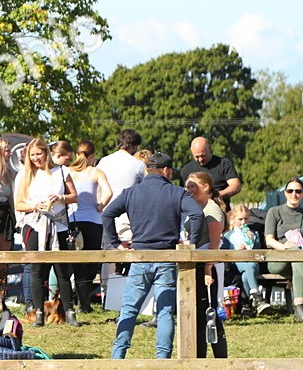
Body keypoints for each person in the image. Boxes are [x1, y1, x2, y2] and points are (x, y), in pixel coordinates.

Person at [103, 152, 206, 359]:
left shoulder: (131, 192)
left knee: (129, 309)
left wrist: (116, 243)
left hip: (139, 256)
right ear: (166, 170)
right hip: (166, 257)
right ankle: (163, 358)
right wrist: (192, 242)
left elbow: (107, 214)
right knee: (165, 311)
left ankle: (118, 355)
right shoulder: (177, 192)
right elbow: (197, 214)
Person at [15, 137, 80, 326]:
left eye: (39, 153)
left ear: (46, 153)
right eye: (32, 155)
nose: (36, 158)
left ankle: (69, 311)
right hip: (35, 225)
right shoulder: (26, 174)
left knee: (62, 270)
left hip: (59, 225)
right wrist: (34, 205)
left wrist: (60, 197)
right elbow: (18, 203)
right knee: (37, 270)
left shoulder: (61, 171)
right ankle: (39, 312)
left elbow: (74, 196)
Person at [184, 172, 228, 357]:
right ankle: (199, 356)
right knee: (198, 313)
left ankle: (220, 358)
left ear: (205, 187)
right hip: (197, 264)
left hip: (208, 266)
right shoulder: (196, 207)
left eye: (193, 186)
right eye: (188, 186)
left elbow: (214, 244)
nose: (189, 190)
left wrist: (208, 270)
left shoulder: (212, 210)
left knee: (209, 313)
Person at [66, 140, 113, 312]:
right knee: (92, 262)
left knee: (78, 263)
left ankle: (82, 303)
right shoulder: (96, 172)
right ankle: (85, 303)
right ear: (92, 155)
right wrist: (101, 206)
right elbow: (109, 192)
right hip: (94, 221)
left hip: (74, 221)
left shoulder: (69, 172)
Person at [96, 128, 145, 249]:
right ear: (134, 146)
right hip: (130, 222)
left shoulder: (103, 162)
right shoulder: (139, 165)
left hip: (106, 219)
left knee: (109, 257)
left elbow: (97, 189)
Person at [264, 177, 303, 322]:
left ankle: (298, 306)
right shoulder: (274, 211)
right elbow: (269, 239)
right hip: (278, 259)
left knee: (298, 257)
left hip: (299, 258)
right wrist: (285, 247)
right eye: (290, 191)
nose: (294, 194)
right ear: (285, 193)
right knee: (296, 254)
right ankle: (299, 306)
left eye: (298, 191)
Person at [222, 203, 269, 315]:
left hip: (253, 263)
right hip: (236, 264)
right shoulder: (228, 235)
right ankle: (258, 299)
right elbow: (224, 254)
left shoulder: (254, 233)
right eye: (240, 219)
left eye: (246, 219)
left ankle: (246, 305)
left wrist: (252, 242)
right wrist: (235, 249)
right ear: (233, 219)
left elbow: (258, 251)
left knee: (246, 274)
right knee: (249, 266)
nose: (243, 222)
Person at [180, 137, 241, 206]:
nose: (200, 159)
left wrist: (216, 196)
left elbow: (236, 186)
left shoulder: (223, 164)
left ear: (209, 148)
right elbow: (182, 195)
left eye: (203, 155)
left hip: (220, 209)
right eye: (197, 157)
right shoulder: (186, 170)